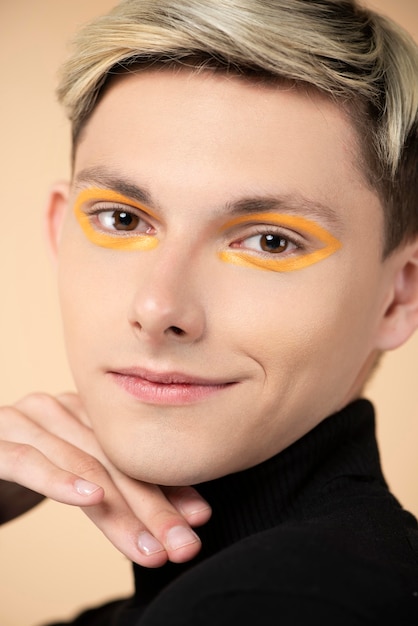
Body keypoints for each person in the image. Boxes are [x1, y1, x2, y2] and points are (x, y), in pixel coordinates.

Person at [1, 0, 418, 623]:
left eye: (270, 241)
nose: (159, 307)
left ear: (400, 295)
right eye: (122, 219)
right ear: (61, 231)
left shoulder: (273, 605)